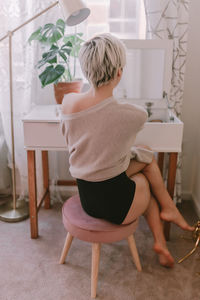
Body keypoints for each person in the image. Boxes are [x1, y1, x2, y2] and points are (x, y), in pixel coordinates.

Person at [61, 33, 194, 268]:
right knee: (147, 179)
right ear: (119, 73)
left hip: (87, 195)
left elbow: (99, 143)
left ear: (85, 70)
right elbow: (118, 131)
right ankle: (167, 215)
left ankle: (167, 221)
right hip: (115, 206)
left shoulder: (69, 102)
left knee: (142, 155)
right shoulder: (133, 115)